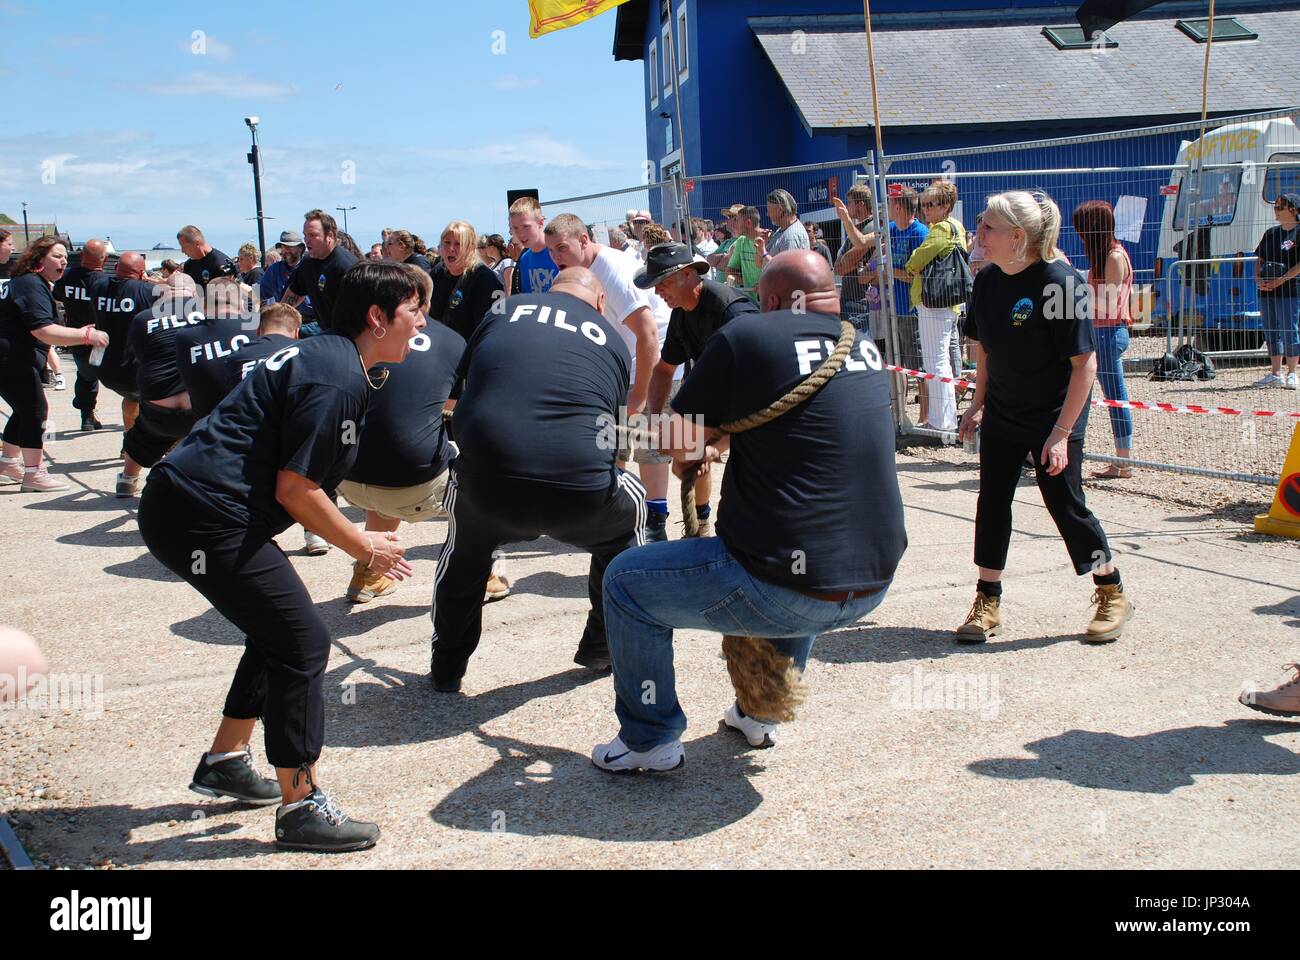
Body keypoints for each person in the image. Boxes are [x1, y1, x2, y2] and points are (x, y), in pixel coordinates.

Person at [136, 261, 426, 852]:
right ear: (377, 317)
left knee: (278, 631)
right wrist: (363, 543)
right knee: (302, 643)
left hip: (191, 505)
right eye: (413, 309)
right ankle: (301, 805)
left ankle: (224, 758)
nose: (422, 319)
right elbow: (296, 489)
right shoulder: (337, 377)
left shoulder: (331, 359)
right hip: (203, 513)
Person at [592, 250, 905, 771]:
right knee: (803, 544)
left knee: (625, 583)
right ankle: (759, 715)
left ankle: (649, 740)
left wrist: (658, 433)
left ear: (774, 299)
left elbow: (681, 448)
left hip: (792, 592)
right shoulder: (863, 345)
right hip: (872, 581)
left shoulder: (747, 337)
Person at [429, 266, 645, 691]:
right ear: (600, 303)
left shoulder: (503, 310)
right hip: (579, 494)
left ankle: (447, 667)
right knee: (631, 523)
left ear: (552, 290)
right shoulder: (614, 340)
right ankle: (604, 647)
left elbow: (460, 391)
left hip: (490, 488)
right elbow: (616, 434)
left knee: (464, 549)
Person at [956, 190, 1134, 645]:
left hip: (1054, 417)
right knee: (992, 501)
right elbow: (988, 352)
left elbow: (1085, 365)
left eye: (988, 228)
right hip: (1004, 413)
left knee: (1064, 504)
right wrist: (978, 404)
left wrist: (1059, 435)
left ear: (1018, 236)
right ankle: (987, 599)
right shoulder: (989, 281)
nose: (980, 234)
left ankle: (1110, 589)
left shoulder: (1061, 283)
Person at [336, 269, 481, 603]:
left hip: (347, 480)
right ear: (426, 301)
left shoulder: (356, 335)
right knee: (486, 486)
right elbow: (463, 406)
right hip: (411, 485)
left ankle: (369, 571)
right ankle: (483, 572)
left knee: (384, 451)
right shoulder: (451, 340)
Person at [545, 215, 671, 540]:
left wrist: (641, 394)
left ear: (584, 240)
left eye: (562, 248)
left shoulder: (612, 270)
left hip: (655, 364)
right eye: (551, 251)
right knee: (612, 445)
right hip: (623, 365)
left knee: (649, 443)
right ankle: (615, 514)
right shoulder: (577, 274)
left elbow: (648, 335)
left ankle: (657, 521)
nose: (556, 257)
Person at [637, 241, 759, 537]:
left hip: (754, 398)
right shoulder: (681, 314)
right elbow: (664, 370)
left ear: (690, 275)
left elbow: (756, 377)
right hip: (716, 394)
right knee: (687, 454)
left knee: (743, 471)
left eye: (664, 282)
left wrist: (714, 445)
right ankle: (700, 524)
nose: (658, 292)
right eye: (655, 285)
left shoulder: (731, 310)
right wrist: (655, 416)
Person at [0, 237, 110, 492]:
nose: (63, 261)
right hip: (12, 358)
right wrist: (86, 335)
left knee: (24, 409)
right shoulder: (30, 284)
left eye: (64, 257)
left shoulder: (27, 282)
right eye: (57, 256)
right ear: (39, 259)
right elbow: (43, 330)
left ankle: (7, 464)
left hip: (13, 357)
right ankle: (34, 474)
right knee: (36, 411)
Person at [117, 273, 214, 498]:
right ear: (194, 293)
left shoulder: (143, 318)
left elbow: (138, 359)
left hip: (158, 407)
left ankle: (127, 479)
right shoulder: (210, 313)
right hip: (199, 409)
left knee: (143, 433)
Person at [1074, 200, 1136, 476]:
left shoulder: (1114, 257)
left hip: (1109, 332)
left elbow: (1110, 303)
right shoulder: (1104, 256)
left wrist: (1076, 294)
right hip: (1099, 331)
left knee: (1115, 396)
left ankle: (1124, 461)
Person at [903, 181, 967, 434]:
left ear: (946, 206)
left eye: (931, 205)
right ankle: (944, 420)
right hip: (947, 302)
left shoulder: (941, 229)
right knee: (940, 361)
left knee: (935, 361)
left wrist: (911, 265)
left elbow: (917, 259)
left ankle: (941, 423)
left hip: (935, 301)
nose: (925, 210)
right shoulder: (956, 227)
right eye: (924, 205)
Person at [88, 252, 162, 438]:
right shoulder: (145, 291)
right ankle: (140, 442)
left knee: (131, 398)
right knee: (154, 401)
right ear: (141, 272)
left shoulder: (98, 286)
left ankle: (129, 439)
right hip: (132, 365)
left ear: (115, 268)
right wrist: (149, 281)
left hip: (104, 364)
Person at [175, 277, 266, 421]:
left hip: (211, 428)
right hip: (261, 421)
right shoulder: (262, 327)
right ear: (242, 304)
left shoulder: (185, 336)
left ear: (204, 306)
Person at [53, 237, 109, 431]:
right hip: (104, 338)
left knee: (86, 378)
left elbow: (57, 297)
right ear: (105, 259)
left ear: (82, 256)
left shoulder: (66, 277)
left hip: (77, 337)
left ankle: (87, 417)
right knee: (124, 382)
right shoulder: (107, 282)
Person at [280, 209, 360, 333]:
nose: (307, 240)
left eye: (312, 235)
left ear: (330, 236)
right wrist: (278, 319)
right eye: (305, 235)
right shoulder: (308, 263)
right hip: (326, 331)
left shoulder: (347, 266)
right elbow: (295, 292)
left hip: (350, 336)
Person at [1253, 192, 1300, 389]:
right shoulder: (1271, 233)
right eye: (1275, 207)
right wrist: (1258, 279)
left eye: (1280, 207)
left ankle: (1292, 373)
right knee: (1271, 329)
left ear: (1293, 210)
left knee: (1289, 328)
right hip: (1267, 290)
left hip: (1289, 289)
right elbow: (1259, 259)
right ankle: (1275, 372)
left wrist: (1281, 280)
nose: (1276, 210)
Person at [427, 220, 503, 343]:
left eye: (458, 244)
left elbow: (495, 326)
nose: (451, 249)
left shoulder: (485, 278)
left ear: (471, 247)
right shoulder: (437, 273)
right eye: (446, 243)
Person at [832, 184, 880, 341]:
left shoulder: (870, 227)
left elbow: (844, 265)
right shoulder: (856, 228)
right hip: (850, 301)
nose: (847, 206)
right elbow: (839, 266)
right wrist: (842, 262)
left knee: (856, 348)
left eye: (850, 202)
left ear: (861, 204)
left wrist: (843, 262)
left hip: (859, 303)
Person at [259, 230, 314, 323]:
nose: (284, 251)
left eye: (289, 247)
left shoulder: (311, 268)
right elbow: (260, 294)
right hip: (285, 322)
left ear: (300, 248)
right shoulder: (275, 270)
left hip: (312, 322)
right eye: (282, 247)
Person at [509, 196, 560, 295]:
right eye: (515, 228)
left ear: (540, 223)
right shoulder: (524, 258)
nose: (521, 234)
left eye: (526, 227)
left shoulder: (559, 252)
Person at [756, 189, 810, 269]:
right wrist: (764, 245)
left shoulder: (792, 235)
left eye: (769, 210)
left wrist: (764, 253)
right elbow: (760, 265)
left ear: (780, 210)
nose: (767, 214)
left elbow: (786, 270)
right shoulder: (781, 231)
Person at [177, 225, 237, 290]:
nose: (182, 251)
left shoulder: (222, 264)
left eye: (184, 246)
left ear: (197, 243)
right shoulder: (188, 265)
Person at [725, 206, 764, 299]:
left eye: (737, 220)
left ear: (748, 223)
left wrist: (764, 284)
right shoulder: (741, 241)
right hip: (750, 300)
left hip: (767, 300)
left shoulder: (767, 239)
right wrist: (747, 283)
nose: (735, 224)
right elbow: (729, 271)